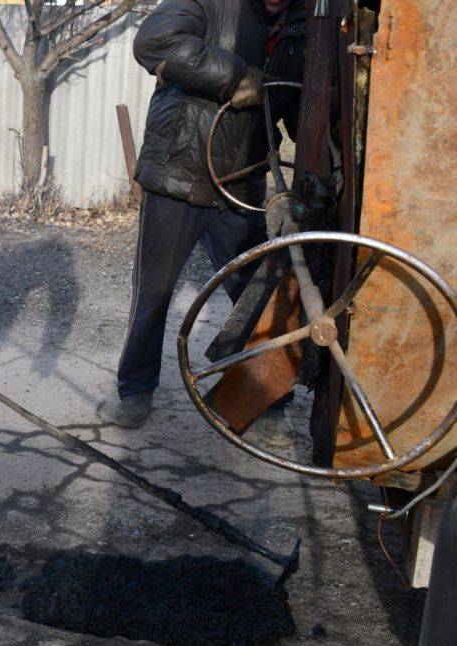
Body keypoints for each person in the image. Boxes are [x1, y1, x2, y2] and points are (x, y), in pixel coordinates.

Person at [99, 0, 304, 429]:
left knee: (255, 295)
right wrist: (234, 76)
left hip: (240, 184)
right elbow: (153, 41)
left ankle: (266, 398)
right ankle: (135, 390)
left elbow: (298, 106)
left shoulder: (302, 26)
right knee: (154, 292)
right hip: (179, 173)